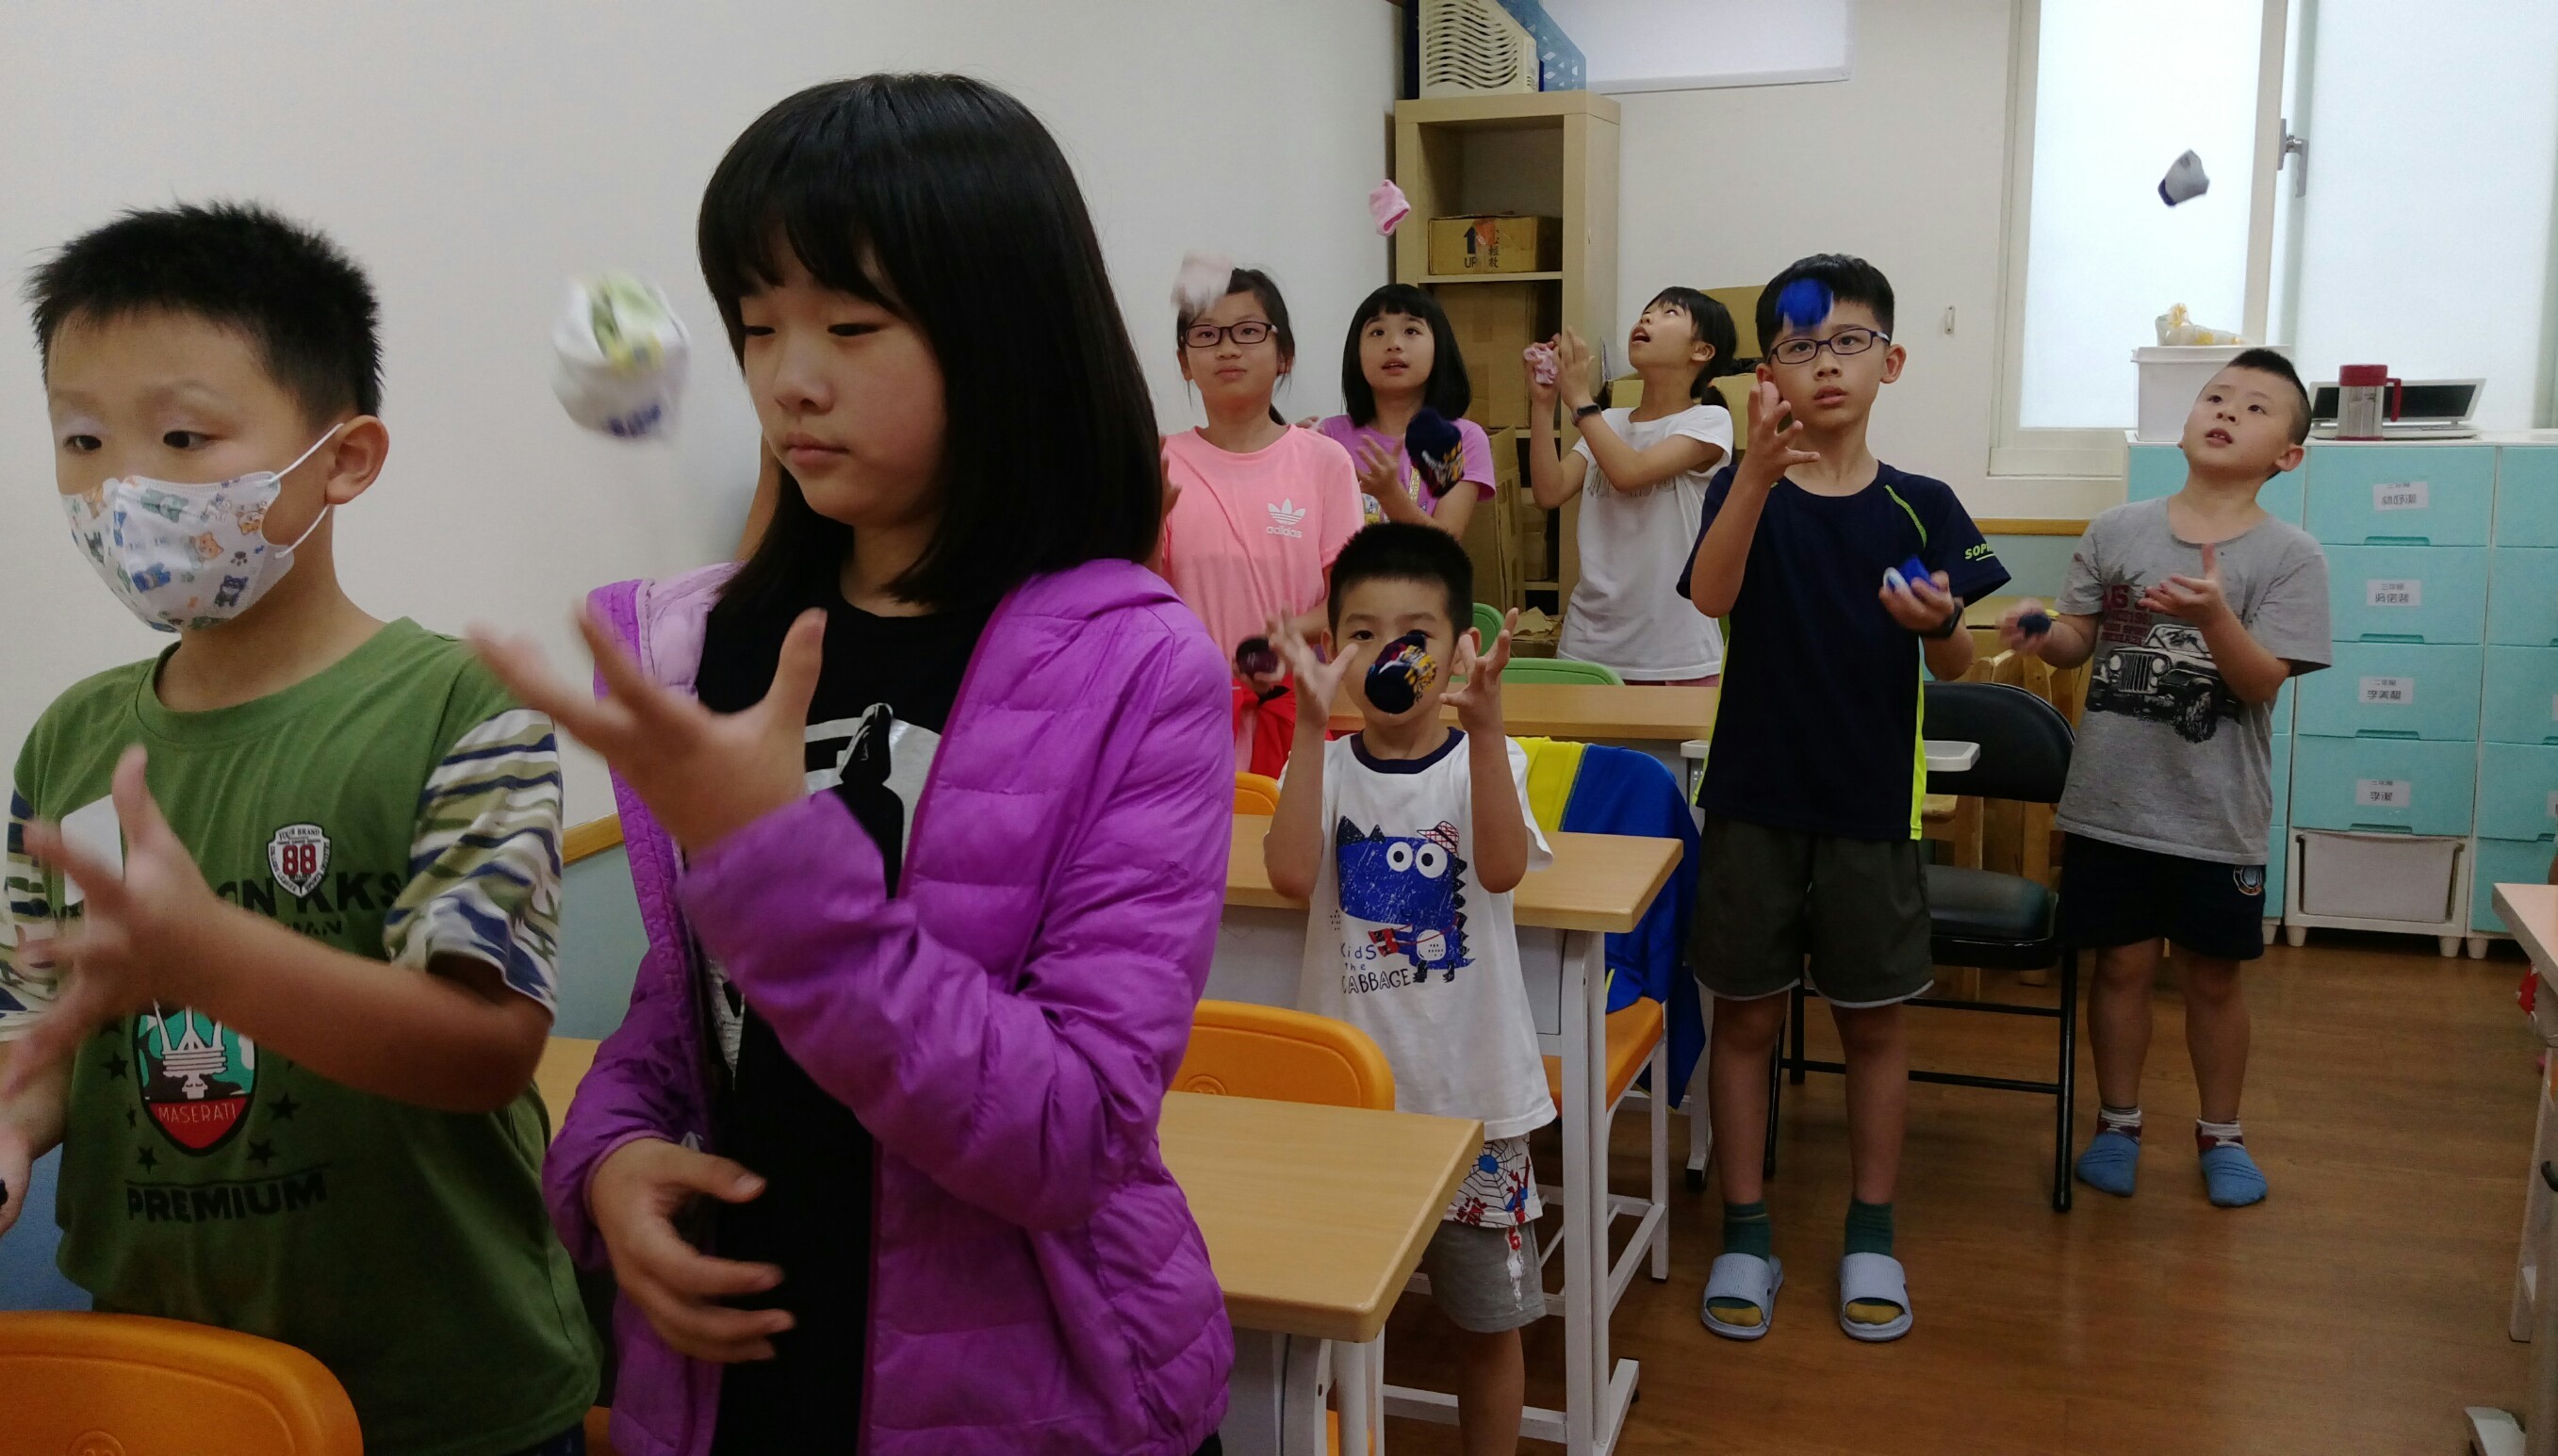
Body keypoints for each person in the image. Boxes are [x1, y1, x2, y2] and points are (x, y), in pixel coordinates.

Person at [471, 76, 1234, 1456]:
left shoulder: (1132, 665)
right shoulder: (715, 640)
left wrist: (781, 870)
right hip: (740, 1371)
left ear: (1004, 334)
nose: (787, 378)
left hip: (1022, 1387)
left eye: (850, 325)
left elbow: (1072, 1133)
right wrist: (612, 1158)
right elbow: (690, 1005)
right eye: (756, 324)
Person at [0, 204, 597, 1454]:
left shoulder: (457, 706)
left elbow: (484, 1052)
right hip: (173, 1390)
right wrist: (12, 1117)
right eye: (82, 439)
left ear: (344, 459)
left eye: (182, 436)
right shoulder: (69, 744)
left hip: (448, 1402)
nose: (123, 488)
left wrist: (215, 961)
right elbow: (36, 1029)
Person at [1676, 254, 2010, 1344]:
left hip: (1871, 806)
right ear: (1767, 373)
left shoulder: (1922, 505)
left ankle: (1871, 1229)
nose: (1824, 364)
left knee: (1872, 1027)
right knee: (1744, 1021)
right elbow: (1710, 597)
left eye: (1847, 343)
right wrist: (1754, 478)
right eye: (1798, 347)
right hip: (1752, 798)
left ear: (1889, 361)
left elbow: (1959, 662)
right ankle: (1745, 1230)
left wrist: (1937, 623)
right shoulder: (1742, 489)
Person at [1996, 350, 2330, 1209]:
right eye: (2215, 397)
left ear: (2288, 455)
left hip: (2218, 814)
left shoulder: (2291, 556)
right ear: (2184, 425)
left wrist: (2215, 616)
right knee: (2121, 967)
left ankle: (2222, 1132)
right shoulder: (2117, 529)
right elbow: (2079, 642)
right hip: (2110, 804)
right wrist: (2040, 628)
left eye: (2256, 408)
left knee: (2214, 978)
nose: (2227, 412)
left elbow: (2258, 684)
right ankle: (2118, 1122)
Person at [1263, 523, 1546, 1456]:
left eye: (1414, 635)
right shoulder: (1324, 766)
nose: (1389, 655)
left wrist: (1489, 726)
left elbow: (1500, 868)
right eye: (1362, 634)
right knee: (1330, 1317)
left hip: (1474, 1108)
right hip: (1349, 1110)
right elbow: (1291, 875)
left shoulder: (1488, 760)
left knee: (1487, 1326)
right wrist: (1310, 728)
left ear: (1460, 648)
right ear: (1331, 649)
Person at [1159, 268, 1365, 773]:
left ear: (1284, 355)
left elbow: (1348, 599)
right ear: (1184, 362)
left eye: (1249, 331)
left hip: (1294, 712)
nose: (1228, 349)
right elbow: (1141, 596)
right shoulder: (1159, 461)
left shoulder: (1324, 461)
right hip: (1185, 715)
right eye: (1206, 335)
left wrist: (1281, 640)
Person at [1528, 288, 1742, 685]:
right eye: (1646, 311)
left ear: (1702, 351)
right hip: (1586, 648)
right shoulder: (1608, 421)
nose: (1646, 319)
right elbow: (1549, 492)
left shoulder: (1709, 421)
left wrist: (1579, 399)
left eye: (1669, 313)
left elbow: (1629, 474)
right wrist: (1543, 405)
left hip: (1673, 655)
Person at [1316, 283, 1496, 540]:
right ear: (1356, 353)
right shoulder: (1329, 436)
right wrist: (1288, 452)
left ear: (1439, 348)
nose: (1394, 344)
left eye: (1411, 330)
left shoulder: (1463, 438)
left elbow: (1446, 542)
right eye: (1377, 332)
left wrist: (1390, 495)